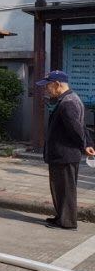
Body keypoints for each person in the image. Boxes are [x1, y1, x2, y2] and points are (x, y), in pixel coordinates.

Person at [37, 71, 95, 230]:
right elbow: (81, 125)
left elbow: (76, 129)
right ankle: (61, 217)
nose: (47, 89)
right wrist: (88, 142)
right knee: (60, 188)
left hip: (65, 153)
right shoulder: (69, 98)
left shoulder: (67, 102)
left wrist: (84, 145)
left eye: (48, 85)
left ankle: (67, 222)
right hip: (63, 153)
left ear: (57, 84)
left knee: (66, 189)